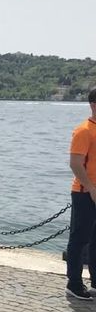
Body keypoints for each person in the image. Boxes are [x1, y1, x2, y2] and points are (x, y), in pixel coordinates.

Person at [65, 87, 96, 300]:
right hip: (85, 192)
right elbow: (75, 164)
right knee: (80, 238)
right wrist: (91, 188)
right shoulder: (84, 131)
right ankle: (74, 283)